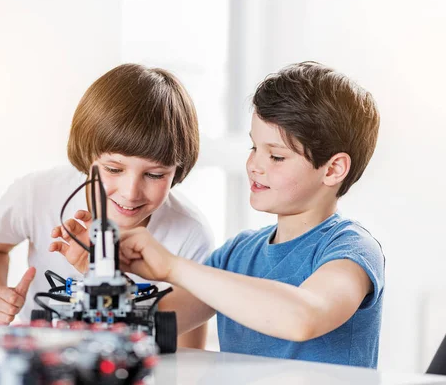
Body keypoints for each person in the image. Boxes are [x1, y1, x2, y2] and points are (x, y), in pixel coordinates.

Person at [119, 61, 384, 367]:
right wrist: (104, 271)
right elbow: (151, 326)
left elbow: (303, 317)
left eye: (276, 156)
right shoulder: (236, 255)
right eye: (253, 147)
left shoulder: (351, 249)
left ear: (333, 169)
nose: (255, 165)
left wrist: (173, 268)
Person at [0, 63, 213, 347]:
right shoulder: (37, 192)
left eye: (155, 174)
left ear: (177, 171)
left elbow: (187, 354)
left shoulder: (191, 234)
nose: (130, 193)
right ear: (89, 155)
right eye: (113, 169)